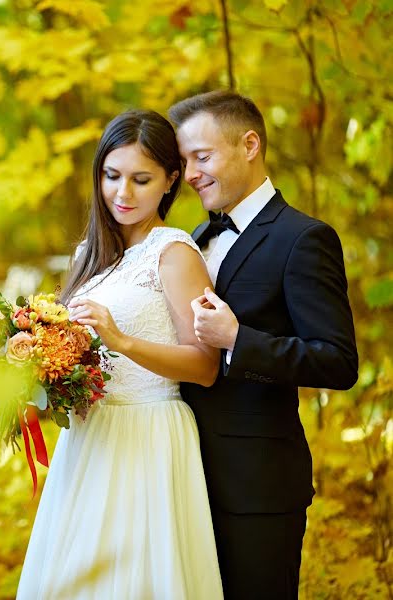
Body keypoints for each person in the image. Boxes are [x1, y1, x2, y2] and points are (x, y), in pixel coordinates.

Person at [16, 109, 224, 599]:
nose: (123, 194)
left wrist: (123, 340)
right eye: (112, 176)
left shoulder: (174, 255)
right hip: (90, 440)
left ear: (171, 181)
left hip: (148, 436)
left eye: (141, 179)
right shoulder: (90, 255)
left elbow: (207, 366)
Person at [169, 90, 359, 599]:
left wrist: (238, 340)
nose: (189, 173)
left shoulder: (304, 238)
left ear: (249, 144)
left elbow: (338, 362)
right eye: (183, 161)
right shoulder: (190, 239)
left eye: (201, 157)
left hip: (257, 486)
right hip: (180, 475)